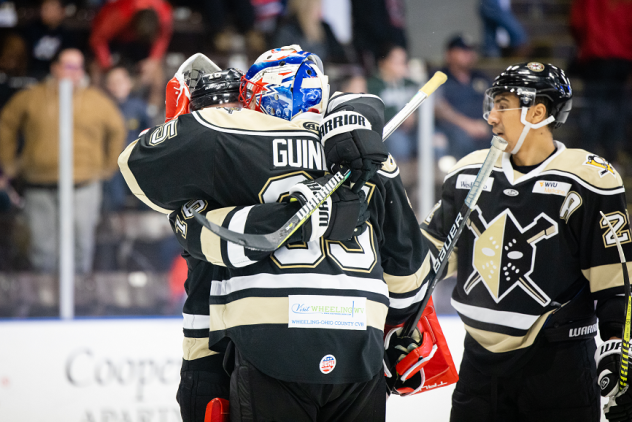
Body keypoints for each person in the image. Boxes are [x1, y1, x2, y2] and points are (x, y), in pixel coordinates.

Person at [119, 45, 450, 421]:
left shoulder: (232, 140)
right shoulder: (371, 153)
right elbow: (408, 270)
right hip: (361, 343)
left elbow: (135, 162)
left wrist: (200, 369)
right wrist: (399, 331)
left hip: (271, 339)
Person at [420, 62, 632, 421]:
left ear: (538, 112)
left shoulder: (588, 179)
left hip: (558, 367)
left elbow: (614, 282)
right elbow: (422, 260)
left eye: (503, 105)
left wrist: (618, 353)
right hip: (478, 368)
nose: (491, 117)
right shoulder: (468, 173)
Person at [0, 48, 126, 274]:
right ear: (55, 68)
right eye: (68, 66)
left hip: (84, 184)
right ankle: (45, 303)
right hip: (39, 183)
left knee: (81, 244)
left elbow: (118, 130)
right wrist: (10, 163)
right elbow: (6, 124)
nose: (73, 72)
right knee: (42, 247)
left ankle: (79, 303)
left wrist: (108, 167)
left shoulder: (97, 100)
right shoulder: (32, 97)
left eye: (78, 67)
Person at [570, 0, 632, 162]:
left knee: (593, 108)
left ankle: (589, 152)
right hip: (622, 58)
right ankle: (612, 153)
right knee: (617, 107)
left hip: (595, 55)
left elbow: (577, 23)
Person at [89, 0, 173, 107]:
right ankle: (96, 105)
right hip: (114, 39)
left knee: (157, 72)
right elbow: (98, 39)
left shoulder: (165, 14)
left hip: (142, 45)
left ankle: (152, 112)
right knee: (96, 68)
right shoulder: (120, 14)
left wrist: (153, 60)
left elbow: (163, 38)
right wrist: (108, 67)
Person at [435, 34, 492, 160]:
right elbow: (438, 108)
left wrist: (487, 124)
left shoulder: (481, 77)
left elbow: (496, 104)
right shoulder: (439, 77)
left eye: (471, 50)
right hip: (454, 130)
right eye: (463, 50)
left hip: (483, 127)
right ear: (449, 54)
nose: (468, 54)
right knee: (460, 139)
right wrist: (468, 125)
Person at [102, 66, 151, 211]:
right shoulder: (103, 107)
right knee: (114, 201)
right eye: (113, 82)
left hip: (135, 160)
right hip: (112, 162)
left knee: (145, 200)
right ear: (108, 86)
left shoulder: (138, 106)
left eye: (121, 81)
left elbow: (147, 131)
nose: (117, 86)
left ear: (129, 83)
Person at [271, 0, 348, 64]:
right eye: (317, 5)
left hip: (324, 75)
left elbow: (340, 56)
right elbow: (279, 63)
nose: (321, 9)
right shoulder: (287, 30)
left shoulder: (324, 26)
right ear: (306, 6)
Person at [21, 0, 74, 80]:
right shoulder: (30, 30)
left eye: (51, 8)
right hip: (30, 75)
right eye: (45, 8)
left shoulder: (68, 35)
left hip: (57, 77)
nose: (46, 12)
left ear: (62, 11)